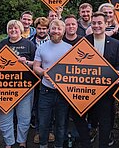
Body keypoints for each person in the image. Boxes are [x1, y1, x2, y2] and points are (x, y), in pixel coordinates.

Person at [72, 11, 119, 148]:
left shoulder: (115, 43)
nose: (96, 25)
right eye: (93, 23)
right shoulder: (83, 41)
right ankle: (85, 143)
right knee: (78, 115)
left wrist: (117, 73)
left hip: (106, 90)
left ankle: (103, 145)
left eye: (99, 22)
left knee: (105, 121)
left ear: (106, 24)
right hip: (86, 90)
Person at [0, 20, 36, 148]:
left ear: (21, 30)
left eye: (16, 28)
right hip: (4, 88)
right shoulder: (2, 44)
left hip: (25, 87)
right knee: (4, 117)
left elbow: (36, 64)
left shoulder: (29, 44)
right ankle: (9, 143)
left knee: (24, 117)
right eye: (10, 28)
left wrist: (27, 62)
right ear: (7, 30)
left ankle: (22, 141)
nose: (13, 30)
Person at [33, 19, 72, 148]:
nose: (56, 31)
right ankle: (43, 145)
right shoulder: (41, 47)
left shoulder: (70, 48)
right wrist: (44, 73)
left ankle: (59, 146)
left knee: (61, 124)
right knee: (44, 123)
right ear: (49, 30)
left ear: (63, 31)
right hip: (46, 91)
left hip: (63, 93)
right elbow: (36, 67)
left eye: (59, 29)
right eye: (53, 28)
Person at [29, 16, 55, 144]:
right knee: (38, 107)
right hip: (34, 79)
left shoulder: (54, 41)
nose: (42, 31)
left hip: (50, 81)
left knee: (50, 107)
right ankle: (39, 132)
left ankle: (49, 131)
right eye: (39, 28)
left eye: (44, 29)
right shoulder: (29, 41)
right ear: (36, 29)